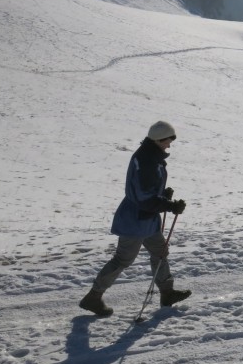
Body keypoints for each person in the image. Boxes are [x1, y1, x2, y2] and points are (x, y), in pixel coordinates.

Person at [79, 120, 191, 317]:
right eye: (168, 140)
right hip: (136, 219)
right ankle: (93, 297)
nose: (169, 144)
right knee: (122, 260)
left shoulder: (150, 156)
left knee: (160, 251)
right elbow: (144, 198)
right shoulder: (147, 161)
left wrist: (163, 195)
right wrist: (169, 205)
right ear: (158, 140)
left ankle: (167, 292)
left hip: (147, 219)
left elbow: (146, 192)